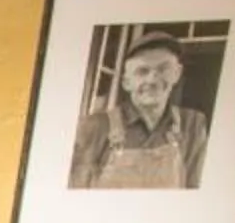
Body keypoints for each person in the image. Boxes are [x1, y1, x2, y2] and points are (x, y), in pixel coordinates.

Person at [67, 30, 209, 190]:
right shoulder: (93, 127)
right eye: (142, 71)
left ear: (177, 74)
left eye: (163, 69)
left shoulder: (192, 125)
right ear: (126, 82)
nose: (153, 79)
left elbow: (195, 193)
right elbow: (77, 196)